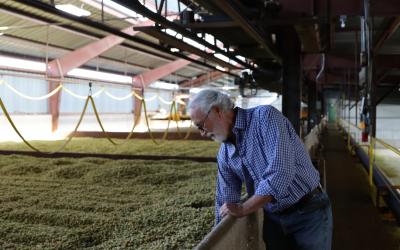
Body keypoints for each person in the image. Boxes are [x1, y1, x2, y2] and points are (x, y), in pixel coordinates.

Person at [188, 89, 333, 250]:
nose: (202, 133)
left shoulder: (264, 117)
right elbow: (225, 200)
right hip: (274, 218)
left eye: (200, 125)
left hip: (309, 211)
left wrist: (244, 208)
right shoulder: (225, 155)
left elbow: (281, 171)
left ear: (217, 111)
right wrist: (216, 240)